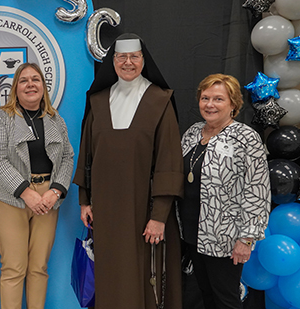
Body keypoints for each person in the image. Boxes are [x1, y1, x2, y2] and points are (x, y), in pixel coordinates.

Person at [73, 33, 184, 308]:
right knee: (111, 277)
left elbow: (169, 161)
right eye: (121, 57)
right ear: (113, 61)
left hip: (144, 212)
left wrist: (159, 216)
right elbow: (87, 152)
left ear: (143, 60)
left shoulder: (160, 100)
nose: (128, 63)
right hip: (106, 212)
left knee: (144, 276)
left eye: (134, 56)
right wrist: (85, 200)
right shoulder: (98, 101)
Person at [0, 62, 74, 309]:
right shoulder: (2, 118)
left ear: (43, 87)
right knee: (14, 268)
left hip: (48, 198)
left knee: (39, 267)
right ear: (15, 88)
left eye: (36, 79)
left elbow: (67, 157)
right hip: (9, 199)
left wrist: (55, 191)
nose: (30, 84)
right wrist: (26, 192)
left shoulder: (56, 120)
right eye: (24, 80)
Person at [179, 73, 270, 309]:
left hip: (226, 239)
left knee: (226, 300)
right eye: (205, 98)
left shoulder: (246, 138)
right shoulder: (192, 134)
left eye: (218, 99)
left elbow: (257, 191)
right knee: (205, 295)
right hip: (192, 233)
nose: (210, 105)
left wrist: (246, 239)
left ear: (233, 104)